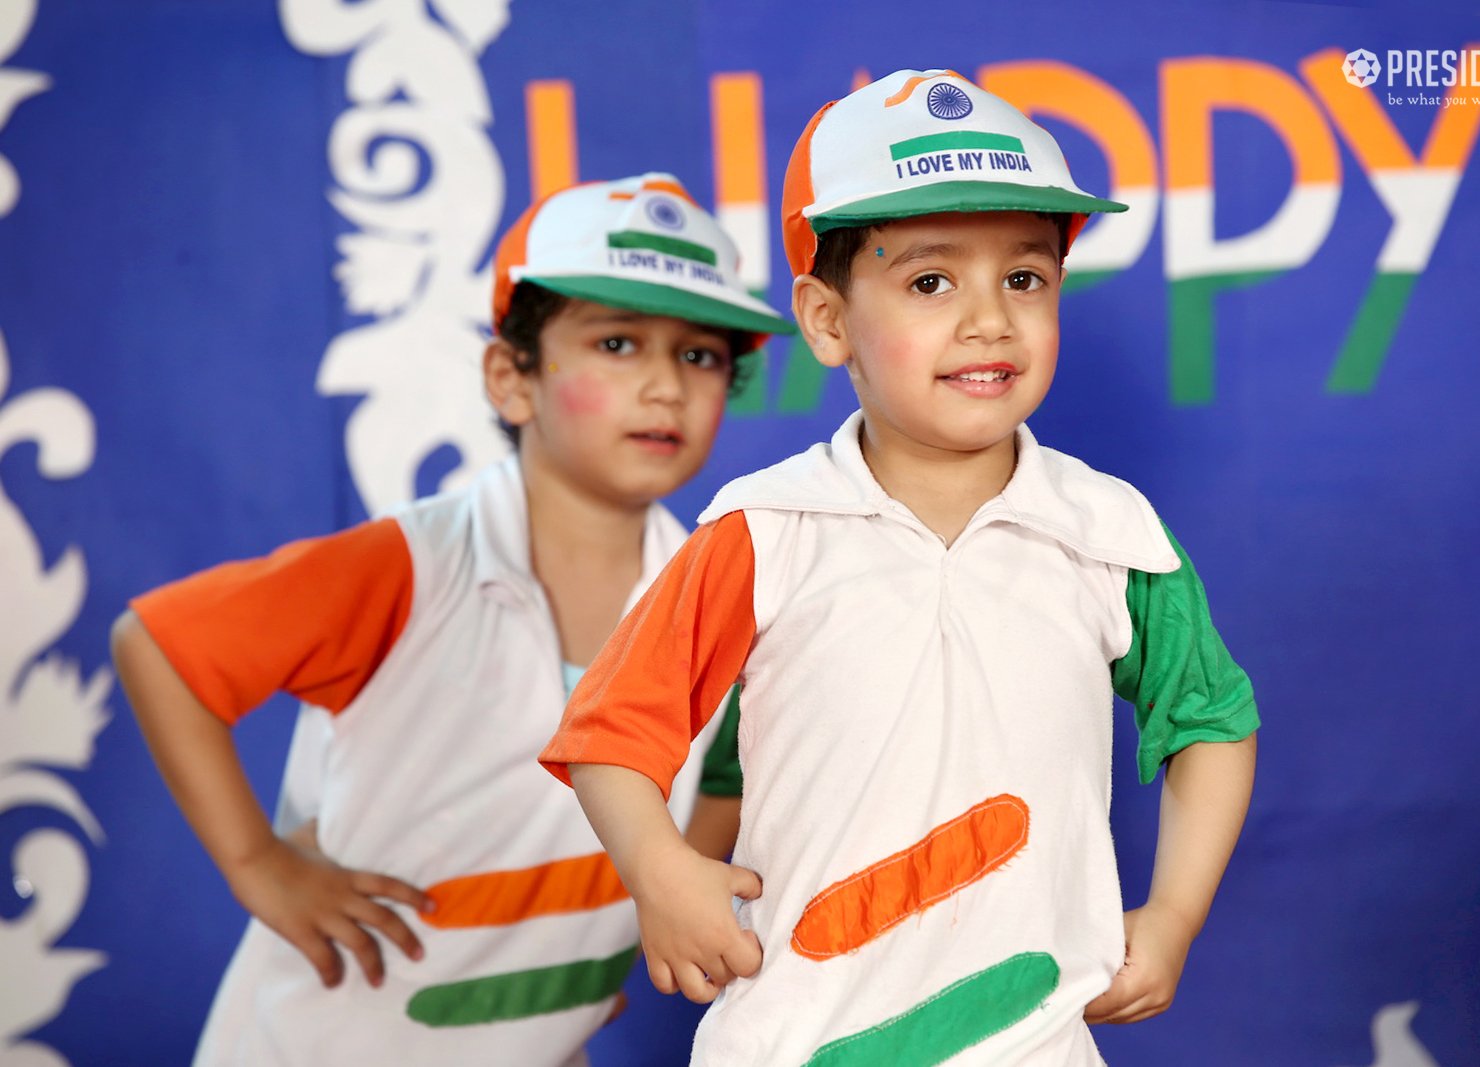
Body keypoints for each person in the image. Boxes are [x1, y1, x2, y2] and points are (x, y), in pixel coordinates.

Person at [539, 73, 1260, 1065]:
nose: (989, 320)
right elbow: (611, 731)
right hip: (794, 1040)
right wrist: (659, 868)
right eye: (930, 282)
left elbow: (1211, 720)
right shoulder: (766, 528)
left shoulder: (1108, 530)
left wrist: (1173, 913)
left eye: (1025, 279)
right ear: (826, 320)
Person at [111, 172, 792, 1066]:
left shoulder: (720, 586)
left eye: (700, 356)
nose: (666, 385)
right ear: (511, 378)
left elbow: (724, 781)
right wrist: (258, 864)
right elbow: (159, 645)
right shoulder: (409, 564)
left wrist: (656, 904)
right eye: (618, 342)